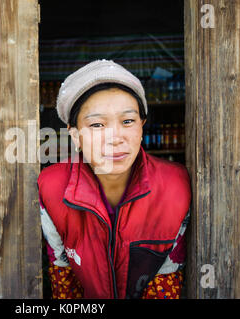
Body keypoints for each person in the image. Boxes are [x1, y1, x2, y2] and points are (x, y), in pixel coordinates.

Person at [37, 60, 191, 299]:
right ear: (75, 135)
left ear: (142, 126)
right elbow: (64, 279)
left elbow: (166, 283)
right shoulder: (51, 188)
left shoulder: (176, 186)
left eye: (128, 121)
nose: (115, 138)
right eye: (97, 124)